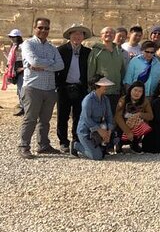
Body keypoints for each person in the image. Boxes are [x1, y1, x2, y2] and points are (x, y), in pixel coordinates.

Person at [18, 18, 65, 159]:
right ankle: (23, 146)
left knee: (45, 120)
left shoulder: (52, 48)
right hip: (33, 87)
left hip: (49, 89)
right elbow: (34, 61)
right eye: (41, 27)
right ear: (34, 28)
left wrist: (42, 66)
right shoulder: (27, 44)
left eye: (46, 28)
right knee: (30, 118)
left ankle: (43, 145)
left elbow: (60, 65)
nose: (44, 30)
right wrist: (50, 64)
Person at [55, 24, 92, 153]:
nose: (77, 36)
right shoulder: (61, 50)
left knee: (78, 115)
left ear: (83, 37)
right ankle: (63, 141)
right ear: (70, 36)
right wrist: (57, 85)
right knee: (62, 115)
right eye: (74, 34)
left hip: (80, 88)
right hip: (64, 87)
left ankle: (76, 140)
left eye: (80, 34)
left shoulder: (88, 52)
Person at [73, 76, 115, 160]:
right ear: (97, 86)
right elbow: (86, 118)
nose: (106, 87)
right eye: (104, 85)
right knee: (97, 156)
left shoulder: (105, 99)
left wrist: (109, 131)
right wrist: (99, 130)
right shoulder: (88, 100)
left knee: (112, 141)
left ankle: (99, 147)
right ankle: (76, 145)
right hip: (85, 130)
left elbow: (109, 116)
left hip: (100, 129)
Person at [88, 26, 125, 113]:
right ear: (101, 36)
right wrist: (91, 89)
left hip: (116, 91)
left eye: (112, 33)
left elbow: (122, 70)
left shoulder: (119, 52)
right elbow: (91, 71)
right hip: (101, 91)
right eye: (106, 32)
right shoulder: (95, 52)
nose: (109, 34)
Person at [115, 81, 154, 153]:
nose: (137, 93)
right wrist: (127, 131)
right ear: (130, 90)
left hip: (136, 125)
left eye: (140, 91)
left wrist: (140, 114)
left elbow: (150, 116)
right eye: (135, 90)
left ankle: (135, 144)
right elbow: (118, 116)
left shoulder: (145, 101)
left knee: (144, 124)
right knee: (119, 125)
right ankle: (119, 143)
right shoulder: (123, 99)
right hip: (123, 125)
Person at [2, 29, 25, 116]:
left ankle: (25, 108)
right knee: (19, 90)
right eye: (11, 37)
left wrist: (23, 68)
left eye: (13, 37)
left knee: (22, 89)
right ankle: (22, 107)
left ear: (17, 37)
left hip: (21, 69)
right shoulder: (14, 47)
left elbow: (27, 58)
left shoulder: (22, 46)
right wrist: (4, 52)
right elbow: (11, 59)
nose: (11, 38)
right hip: (15, 69)